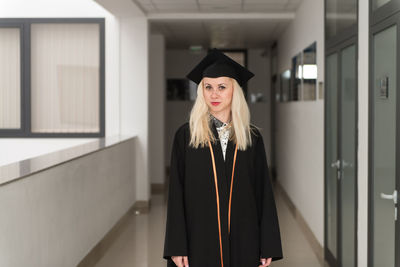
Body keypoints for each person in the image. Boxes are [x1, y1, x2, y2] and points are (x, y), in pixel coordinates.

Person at [163, 48, 283, 267]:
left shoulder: (251, 137)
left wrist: (268, 245)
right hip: (198, 241)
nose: (214, 94)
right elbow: (175, 194)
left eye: (221, 87)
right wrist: (176, 245)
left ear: (234, 91)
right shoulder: (186, 135)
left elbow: (263, 192)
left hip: (243, 239)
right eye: (208, 87)